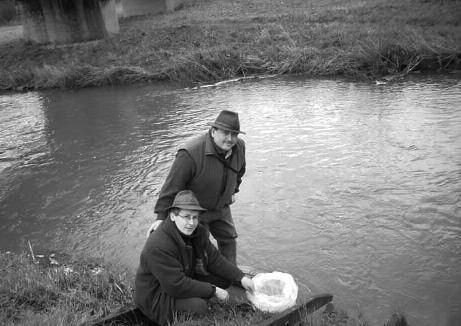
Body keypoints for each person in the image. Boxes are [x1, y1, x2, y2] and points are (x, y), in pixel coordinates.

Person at [135, 190, 254, 326]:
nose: (191, 223)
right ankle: (178, 319)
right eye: (186, 217)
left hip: (182, 277)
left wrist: (241, 277)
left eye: (195, 217)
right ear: (173, 216)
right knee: (199, 306)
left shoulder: (198, 232)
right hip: (156, 296)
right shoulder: (158, 245)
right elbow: (176, 285)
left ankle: (203, 297)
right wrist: (213, 290)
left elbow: (215, 259)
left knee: (225, 278)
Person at [149, 110, 246, 265]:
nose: (230, 139)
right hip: (195, 211)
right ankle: (201, 281)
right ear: (213, 131)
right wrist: (161, 217)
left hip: (221, 207)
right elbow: (171, 187)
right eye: (225, 133)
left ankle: (231, 275)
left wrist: (233, 191)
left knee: (229, 239)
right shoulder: (189, 153)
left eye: (234, 134)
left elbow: (240, 172)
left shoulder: (239, 147)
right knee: (198, 247)